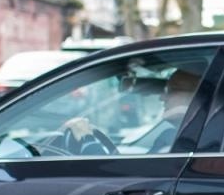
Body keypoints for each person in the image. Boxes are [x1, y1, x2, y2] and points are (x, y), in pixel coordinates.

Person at [61, 65, 201, 154]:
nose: (162, 98)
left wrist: (88, 141)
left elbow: (130, 185)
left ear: (199, 96)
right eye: (164, 89)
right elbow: (134, 177)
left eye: (173, 90)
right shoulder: (187, 138)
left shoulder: (178, 140)